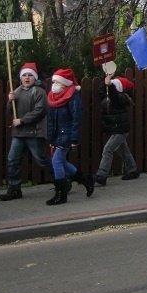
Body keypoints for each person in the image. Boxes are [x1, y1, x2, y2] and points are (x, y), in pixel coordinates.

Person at [0, 62, 51, 201]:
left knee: (42, 160)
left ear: (35, 77)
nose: (27, 78)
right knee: (13, 160)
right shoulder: (16, 91)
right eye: (24, 75)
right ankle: (14, 188)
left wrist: (22, 120)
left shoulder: (39, 91)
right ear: (21, 78)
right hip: (19, 134)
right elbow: (9, 111)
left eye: (30, 75)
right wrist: (10, 101)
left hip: (34, 133)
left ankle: (62, 179)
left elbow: (40, 111)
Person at [46, 68, 94, 205]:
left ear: (64, 83)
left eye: (57, 82)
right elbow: (51, 120)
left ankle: (61, 194)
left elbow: (76, 119)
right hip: (57, 135)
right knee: (62, 162)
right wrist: (51, 138)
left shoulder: (72, 96)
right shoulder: (53, 97)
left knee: (56, 162)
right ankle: (86, 180)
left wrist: (74, 139)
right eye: (53, 81)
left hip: (66, 135)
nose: (54, 84)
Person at [93, 73, 140, 186]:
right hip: (116, 128)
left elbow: (114, 96)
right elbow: (101, 91)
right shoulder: (108, 94)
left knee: (108, 149)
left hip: (120, 128)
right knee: (123, 150)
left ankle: (102, 175)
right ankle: (133, 170)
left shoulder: (122, 97)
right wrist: (106, 80)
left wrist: (110, 85)